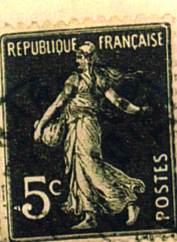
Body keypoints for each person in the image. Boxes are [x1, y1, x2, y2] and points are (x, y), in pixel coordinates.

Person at [33, 41, 148, 231]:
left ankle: (127, 200)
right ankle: (90, 215)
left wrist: (40, 126)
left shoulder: (77, 80)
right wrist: (138, 110)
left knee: (91, 167)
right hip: (76, 128)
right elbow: (120, 102)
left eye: (80, 57)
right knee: (80, 169)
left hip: (85, 127)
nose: (77, 61)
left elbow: (58, 103)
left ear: (88, 59)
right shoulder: (97, 80)